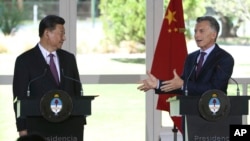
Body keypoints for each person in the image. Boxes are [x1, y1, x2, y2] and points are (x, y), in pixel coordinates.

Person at [137, 16, 234, 139]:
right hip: (190, 118)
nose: (196, 35)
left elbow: (215, 88)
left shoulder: (224, 59)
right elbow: (181, 85)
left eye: (201, 31)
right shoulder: (191, 58)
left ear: (213, 35)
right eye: (195, 31)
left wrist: (183, 84)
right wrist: (157, 84)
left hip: (212, 116)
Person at [13, 15, 84, 136]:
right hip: (39, 129)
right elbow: (19, 98)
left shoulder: (69, 59)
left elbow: (77, 91)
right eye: (61, 33)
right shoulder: (24, 61)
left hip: (69, 129)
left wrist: (81, 122)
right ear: (47, 33)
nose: (64, 38)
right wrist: (22, 128)